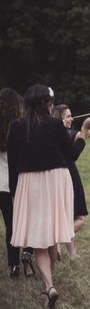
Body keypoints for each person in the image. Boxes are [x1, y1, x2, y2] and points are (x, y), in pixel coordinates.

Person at [8, 85, 90, 308]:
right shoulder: (55, 124)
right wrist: (84, 134)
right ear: (47, 103)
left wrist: (14, 191)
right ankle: (48, 286)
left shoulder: (16, 126)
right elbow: (72, 154)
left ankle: (48, 287)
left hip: (31, 181)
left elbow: (13, 162)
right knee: (53, 233)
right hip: (57, 180)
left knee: (39, 238)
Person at [0, 87, 33, 278]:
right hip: (10, 184)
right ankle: (14, 265)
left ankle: (14, 264)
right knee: (12, 226)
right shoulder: (19, 128)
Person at [51, 104, 88, 260]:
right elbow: (79, 135)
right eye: (67, 116)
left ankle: (72, 254)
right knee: (80, 218)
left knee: (67, 217)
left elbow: (80, 133)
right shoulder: (65, 134)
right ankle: (58, 240)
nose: (71, 118)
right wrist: (85, 130)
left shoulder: (52, 133)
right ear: (59, 118)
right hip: (69, 175)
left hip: (57, 176)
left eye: (71, 115)